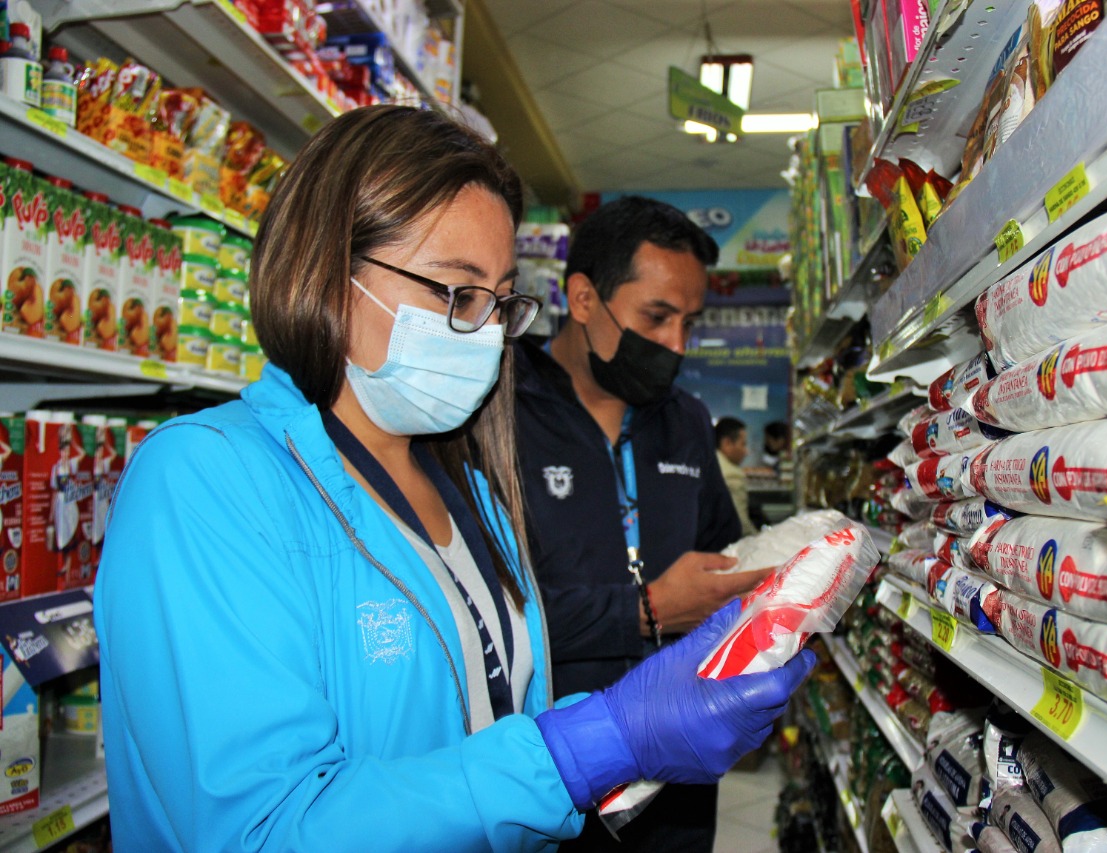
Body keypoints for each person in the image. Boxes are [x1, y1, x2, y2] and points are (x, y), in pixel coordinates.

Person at [93, 106, 816, 851]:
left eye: (500, 301)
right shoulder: (204, 480)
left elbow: (483, 713)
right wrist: (588, 746)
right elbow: (263, 829)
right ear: (329, 271)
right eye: (457, 293)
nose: (488, 335)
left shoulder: (465, 487)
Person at [514, 196, 773, 852]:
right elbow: (491, 613)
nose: (676, 345)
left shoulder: (685, 419)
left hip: (677, 774)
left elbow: (722, 552)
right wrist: (647, 607)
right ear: (582, 298)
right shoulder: (502, 412)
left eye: (689, 322)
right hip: (548, 767)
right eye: (656, 316)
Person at [714, 416, 756, 535]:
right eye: (743, 444)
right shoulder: (732, 475)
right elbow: (741, 525)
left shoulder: (709, 462)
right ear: (727, 443)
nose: (746, 451)